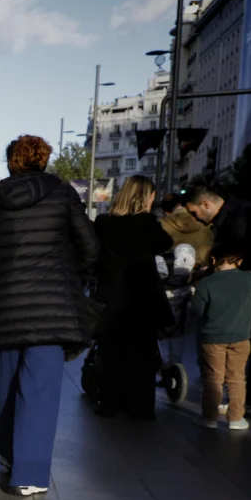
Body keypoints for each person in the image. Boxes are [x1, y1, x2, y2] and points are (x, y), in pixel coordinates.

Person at [0, 135, 99, 497]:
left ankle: (10, 455)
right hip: (52, 307)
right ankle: (29, 473)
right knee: (40, 390)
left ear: (12, 161)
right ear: (44, 160)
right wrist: (64, 268)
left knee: (4, 387)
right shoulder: (63, 194)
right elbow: (90, 248)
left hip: (8, 305)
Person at [184, 185, 251, 410]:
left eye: (194, 213)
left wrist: (209, 275)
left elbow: (234, 259)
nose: (195, 219)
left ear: (206, 204)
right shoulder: (240, 213)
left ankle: (249, 396)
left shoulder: (238, 219)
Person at [92, 176, 174, 419]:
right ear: (145, 197)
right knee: (142, 356)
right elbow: (165, 243)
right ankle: (139, 407)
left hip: (111, 298)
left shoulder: (104, 223)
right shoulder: (147, 223)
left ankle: (109, 403)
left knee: (110, 355)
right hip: (142, 299)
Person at [191, 245, 251, 430]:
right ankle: (236, 418)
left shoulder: (206, 284)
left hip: (212, 338)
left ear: (213, 260)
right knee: (237, 378)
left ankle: (210, 418)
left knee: (214, 378)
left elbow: (197, 311)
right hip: (241, 337)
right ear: (240, 261)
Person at [159, 193, 213, 267]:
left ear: (166, 212)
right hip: (205, 267)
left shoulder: (161, 225)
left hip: (177, 270)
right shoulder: (206, 219)